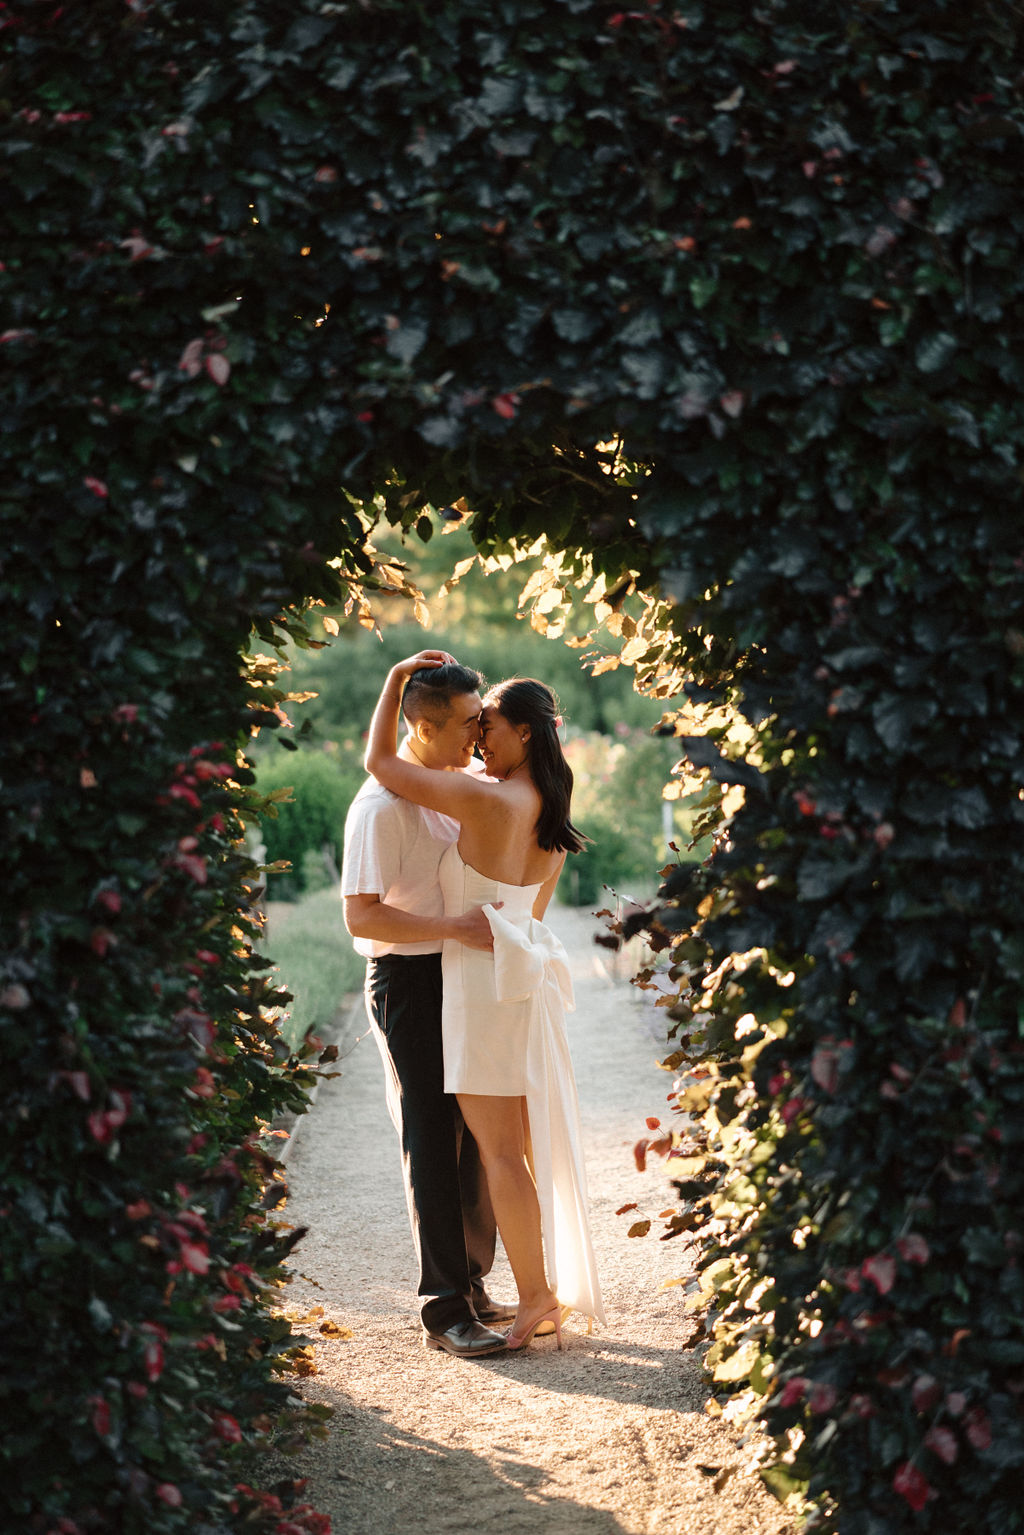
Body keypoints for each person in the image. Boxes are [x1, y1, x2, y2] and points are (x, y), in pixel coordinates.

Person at [365, 651, 606, 1349]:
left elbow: (382, 764)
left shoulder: (487, 799)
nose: (478, 742)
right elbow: (530, 917)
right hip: (521, 989)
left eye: (489, 727)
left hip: (478, 988)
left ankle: (535, 1297)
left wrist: (394, 683)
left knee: (499, 1154)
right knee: (514, 1152)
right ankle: (536, 1290)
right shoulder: (549, 813)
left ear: (526, 733)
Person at [341, 660, 515, 1358]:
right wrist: (454, 928)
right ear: (422, 724)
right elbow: (361, 917)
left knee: (476, 1135)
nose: (480, 731)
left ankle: (471, 1283)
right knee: (431, 1141)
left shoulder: (456, 785)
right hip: (408, 984)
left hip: (462, 977)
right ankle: (444, 1310)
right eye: (469, 720)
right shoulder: (378, 810)